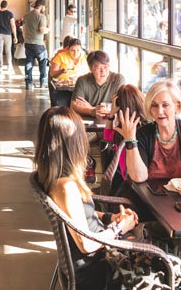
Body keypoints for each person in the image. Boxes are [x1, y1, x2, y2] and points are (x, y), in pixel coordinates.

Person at [34, 106, 140, 289]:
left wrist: (110, 218)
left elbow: (79, 217)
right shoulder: (66, 187)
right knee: (166, 257)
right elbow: (87, 245)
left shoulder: (54, 177)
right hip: (98, 270)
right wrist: (120, 227)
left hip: (97, 256)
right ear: (73, 142)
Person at [121, 80, 181, 184]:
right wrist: (130, 140)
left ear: (177, 106)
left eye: (165, 105)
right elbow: (138, 177)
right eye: (154, 105)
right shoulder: (142, 134)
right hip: (148, 197)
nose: (159, 111)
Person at [70, 50, 126, 121]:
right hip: (88, 123)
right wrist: (92, 111)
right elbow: (74, 106)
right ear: (90, 69)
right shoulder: (82, 80)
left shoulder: (118, 79)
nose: (103, 71)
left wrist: (90, 108)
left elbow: (121, 106)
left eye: (106, 67)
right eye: (98, 68)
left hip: (112, 122)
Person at [49, 37, 88, 107]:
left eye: (78, 50)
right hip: (63, 87)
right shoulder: (60, 56)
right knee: (63, 106)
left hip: (80, 85)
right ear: (68, 49)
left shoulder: (85, 57)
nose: (75, 53)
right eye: (72, 50)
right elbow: (52, 74)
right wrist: (61, 71)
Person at [22, 0, 49, 90]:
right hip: (38, 44)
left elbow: (24, 30)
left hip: (28, 43)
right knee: (42, 63)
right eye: (44, 7)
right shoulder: (41, 16)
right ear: (41, 6)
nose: (44, 9)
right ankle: (43, 82)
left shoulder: (26, 15)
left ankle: (28, 83)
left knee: (29, 63)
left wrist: (25, 39)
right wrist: (48, 29)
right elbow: (42, 30)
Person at [0, 0, 16, 71]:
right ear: (6, 6)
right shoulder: (10, 13)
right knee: (8, 51)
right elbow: (13, 26)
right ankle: (9, 65)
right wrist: (15, 36)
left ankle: (0, 67)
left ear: (0, 5)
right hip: (7, 34)